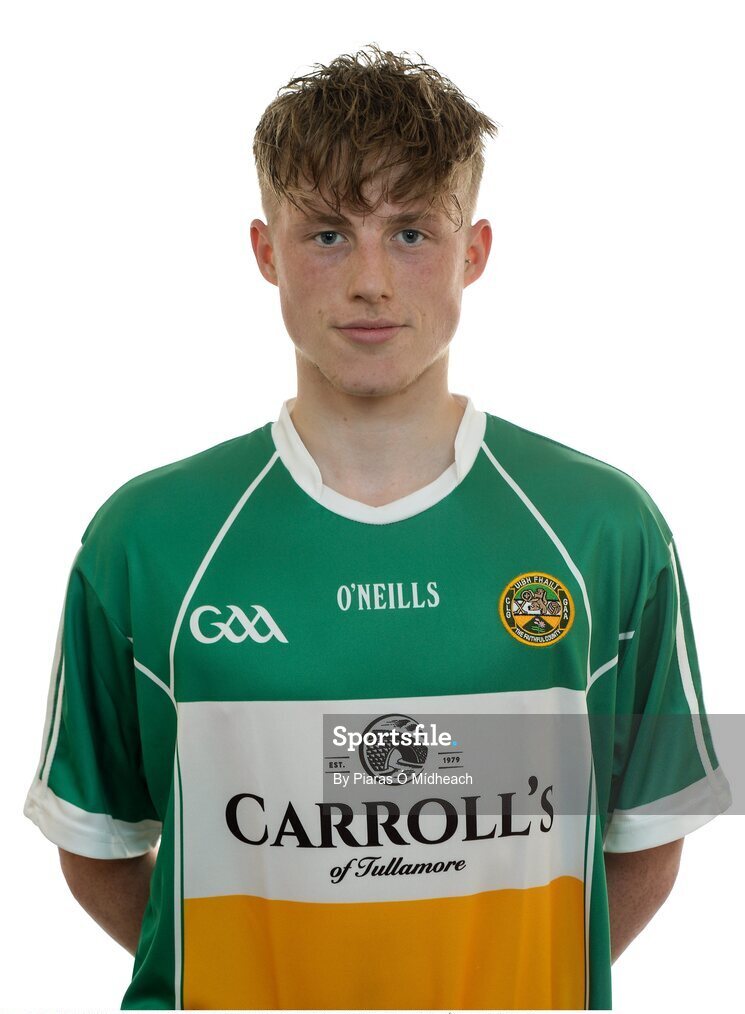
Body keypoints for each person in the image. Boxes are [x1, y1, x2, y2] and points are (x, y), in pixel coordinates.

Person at [24, 43, 732, 1011]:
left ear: (474, 251)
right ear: (264, 251)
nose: (369, 280)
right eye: (326, 235)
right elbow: (98, 850)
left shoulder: (606, 532)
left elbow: (645, 849)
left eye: (410, 233)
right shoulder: (145, 543)